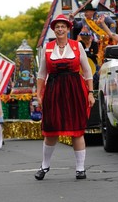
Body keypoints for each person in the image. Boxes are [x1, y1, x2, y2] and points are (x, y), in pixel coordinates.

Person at [35, 14, 95, 181]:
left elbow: (88, 71)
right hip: (54, 90)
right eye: (57, 27)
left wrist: (90, 93)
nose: (60, 29)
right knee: (51, 129)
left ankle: (80, 168)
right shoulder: (47, 48)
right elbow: (41, 75)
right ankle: (44, 165)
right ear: (54, 30)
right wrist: (39, 95)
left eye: (63, 26)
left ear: (68, 29)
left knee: (77, 130)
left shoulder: (77, 46)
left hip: (74, 89)